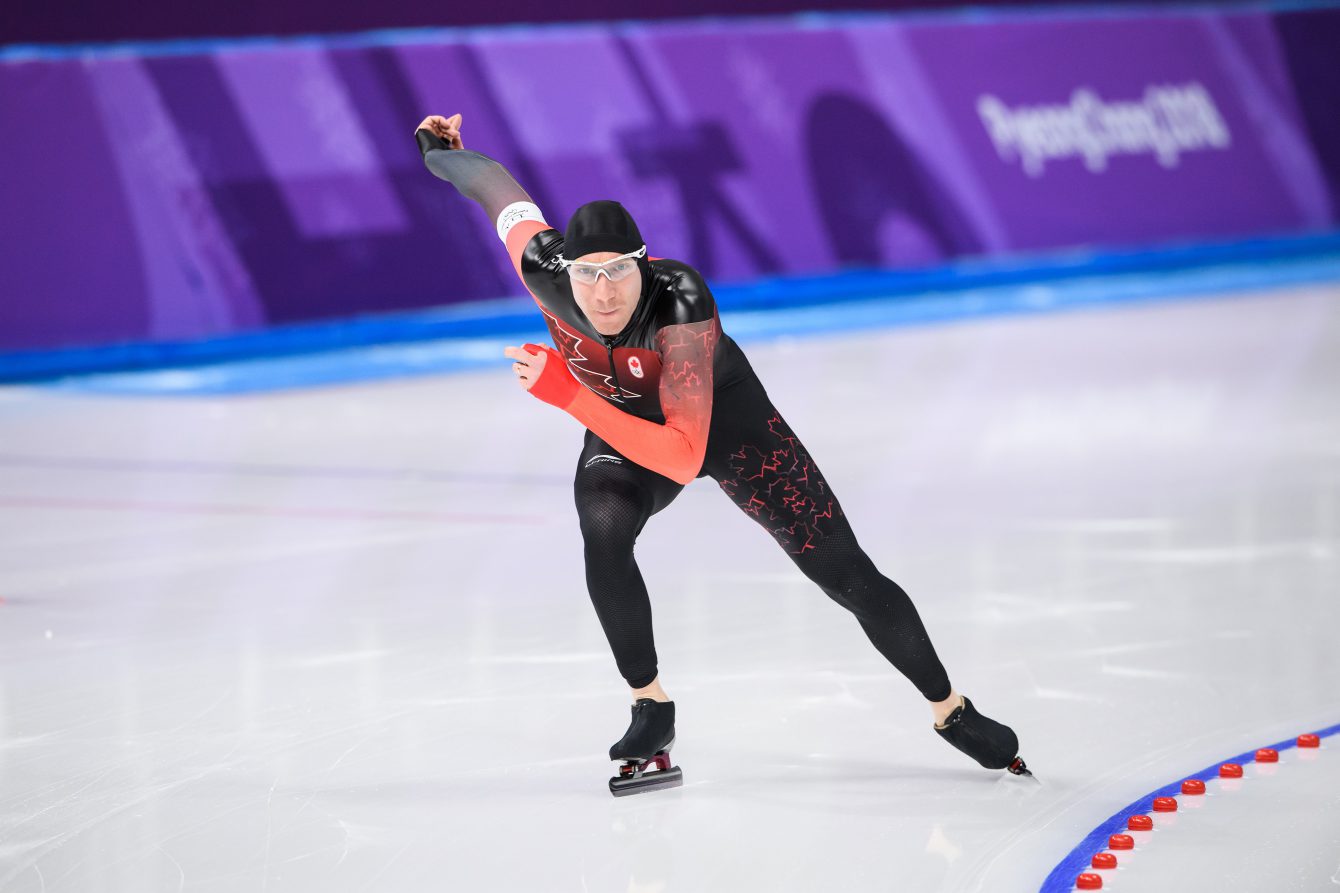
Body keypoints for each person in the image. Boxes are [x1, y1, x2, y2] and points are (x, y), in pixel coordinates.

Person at [415, 113, 1029, 795]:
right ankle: (650, 703)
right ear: (564, 271)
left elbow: (682, 456)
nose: (605, 291)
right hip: (626, 431)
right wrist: (441, 151)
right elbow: (495, 191)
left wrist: (567, 396)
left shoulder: (679, 301)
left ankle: (951, 710)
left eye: (620, 272)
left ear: (643, 265)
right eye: (588, 276)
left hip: (732, 433)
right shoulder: (540, 266)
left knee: (846, 574)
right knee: (604, 528)